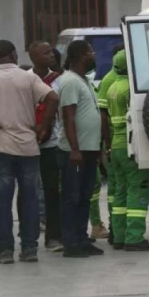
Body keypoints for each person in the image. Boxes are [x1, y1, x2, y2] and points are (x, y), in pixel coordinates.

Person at [0, 40, 59, 265]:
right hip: (28, 146)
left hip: (0, 146)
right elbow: (53, 98)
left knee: (3, 201)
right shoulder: (29, 77)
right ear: (14, 54)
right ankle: (29, 249)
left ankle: (5, 251)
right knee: (30, 199)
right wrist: (43, 126)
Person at [107, 50, 149, 251]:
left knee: (120, 192)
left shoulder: (112, 86)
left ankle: (119, 236)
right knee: (138, 189)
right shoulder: (131, 88)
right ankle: (135, 238)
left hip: (116, 145)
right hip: (132, 146)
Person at [57, 40, 103, 258]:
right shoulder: (70, 82)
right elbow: (68, 117)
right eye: (91, 52)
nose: (94, 55)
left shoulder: (83, 80)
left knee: (85, 196)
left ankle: (82, 238)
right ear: (81, 56)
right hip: (75, 152)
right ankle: (70, 243)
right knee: (72, 197)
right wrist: (75, 149)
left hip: (89, 149)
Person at [27, 41, 63, 252]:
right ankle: (27, 236)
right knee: (27, 191)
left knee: (52, 191)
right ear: (33, 57)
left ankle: (54, 237)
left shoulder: (58, 80)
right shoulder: (25, 80)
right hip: (27, 144)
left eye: (51, 52)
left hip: (52, 144)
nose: (51, 55)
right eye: (46, 52)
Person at [94, 42, 124, 244]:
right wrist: (107, 145)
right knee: (118, 187)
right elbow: (102, 116)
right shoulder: (112, 80)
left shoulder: (109, 79)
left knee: (116, 188)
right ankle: (117, 227)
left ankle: (117, 227)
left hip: (114, 141)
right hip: (116, 141)